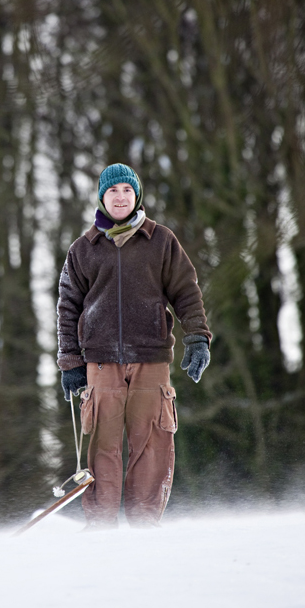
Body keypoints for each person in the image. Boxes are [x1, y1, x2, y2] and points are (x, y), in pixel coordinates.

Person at [56, 162, 211, 529]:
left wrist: (198, 338)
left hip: (151, 360)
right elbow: (67, 307)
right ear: (102, 198)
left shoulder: (161, 241)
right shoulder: (83, 249)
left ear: (137, 195)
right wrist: (70, 362)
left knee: (152, 444)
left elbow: (186, 292)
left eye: (127, 190)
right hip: (100, 364)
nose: (120, 197)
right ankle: (101, 530)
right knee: (103, 449)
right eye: (113, 191)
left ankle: (144, 528)